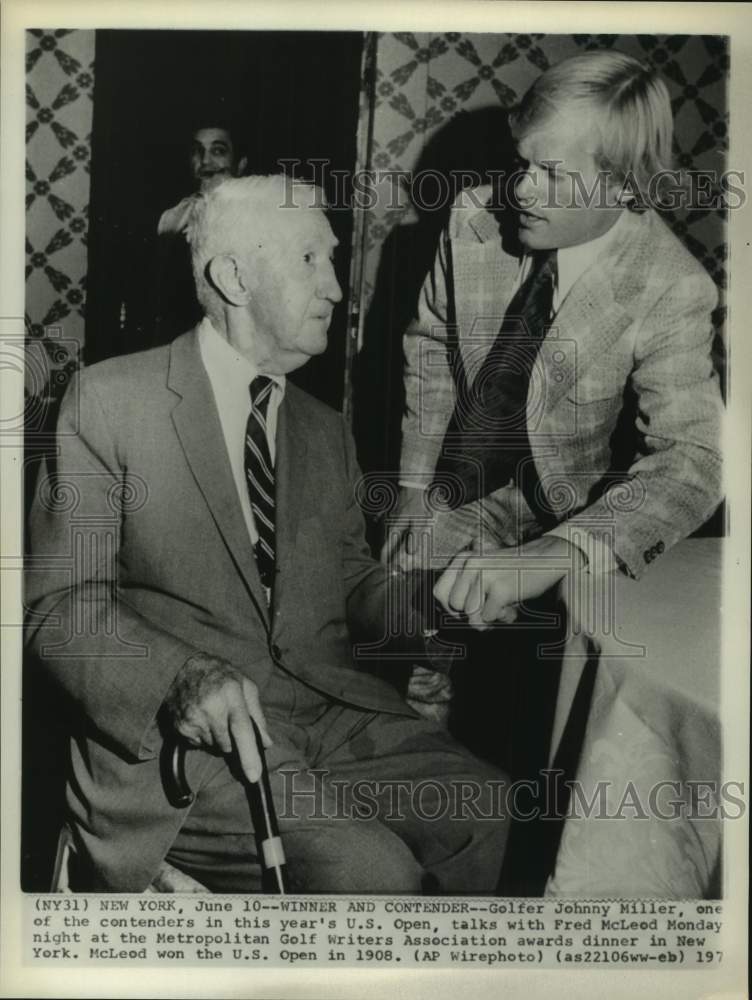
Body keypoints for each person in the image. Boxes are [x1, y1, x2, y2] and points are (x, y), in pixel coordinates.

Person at [25, 175, 509, 894]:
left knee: (490, 811)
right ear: (234, 276)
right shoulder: (110, 401)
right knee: (372, 873)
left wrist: (438, 602)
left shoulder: (322, 428)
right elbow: (58, 609)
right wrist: (182, 677)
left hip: (329, 715)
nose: (337, 290)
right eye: (313, 259)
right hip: (187, 741)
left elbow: (347, 583)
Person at [388, 50, 723, 688]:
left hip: (580, 514)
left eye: (551, 173)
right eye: (521, 164)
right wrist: (411, 482)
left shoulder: (671, 285)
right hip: (463, 483)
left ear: (624, 185)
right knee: (402, 635)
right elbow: (432, 342)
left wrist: (557, 552)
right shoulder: (471, 220)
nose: (521, 190)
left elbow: (695, 458)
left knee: (543, 694)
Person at [154, 122, 249, 343]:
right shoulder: (172, 217)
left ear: (241, 163)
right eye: (198, 151)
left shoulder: (253, 214)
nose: (206, 161)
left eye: (218, 151)